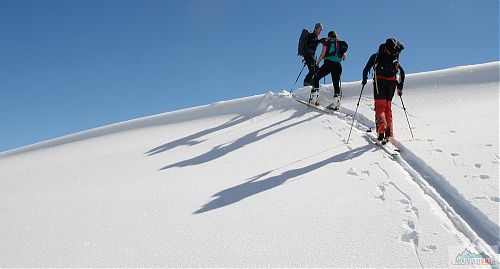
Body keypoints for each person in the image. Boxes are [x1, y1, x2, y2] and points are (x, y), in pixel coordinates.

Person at [362, 38, 405, 141]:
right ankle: (389, 133)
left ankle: (381, 126)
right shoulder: (394, 56)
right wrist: (400, 88)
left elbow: (365, 70)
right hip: (392, 83)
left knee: (380, 106)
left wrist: (364, 81)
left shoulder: (376, 56)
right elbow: (402, 73)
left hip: (379, 82)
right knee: (388, 107)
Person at [310, 30, 347, 109]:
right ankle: (336, 103)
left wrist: (317, 63)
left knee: (316, 78)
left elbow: (323, 54)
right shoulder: (340, 43)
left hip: (329, 64)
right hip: (338, 65)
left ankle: (314, 98)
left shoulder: (327, 42)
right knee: (336, 83)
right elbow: (344, 57)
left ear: (329, 36)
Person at [303, 23, 325, 87]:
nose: (320, 31)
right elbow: (312, 42)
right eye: (320, 29)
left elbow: (314, 42)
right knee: (312, 70)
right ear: (316, 28)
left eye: (321, 30)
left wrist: (320, 41)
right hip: (308, 55)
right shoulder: (312, 35)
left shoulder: (315, 36)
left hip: (311, 56)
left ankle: (311, 82)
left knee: (316, 69)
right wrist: (320, 41)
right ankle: (307, 82)